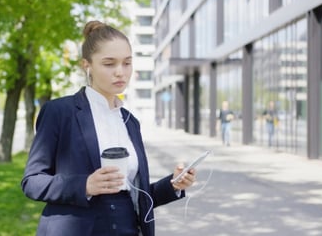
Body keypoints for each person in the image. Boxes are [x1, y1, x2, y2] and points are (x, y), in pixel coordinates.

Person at [21, 20, 196, 236]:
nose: (120, 72)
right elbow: (32, 182)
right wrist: (84, 185)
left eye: (127, 63)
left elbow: (137, 194)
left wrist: (173, 185)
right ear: (87, 65)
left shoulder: (130, 121)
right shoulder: (60, 112)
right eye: (109, 63)